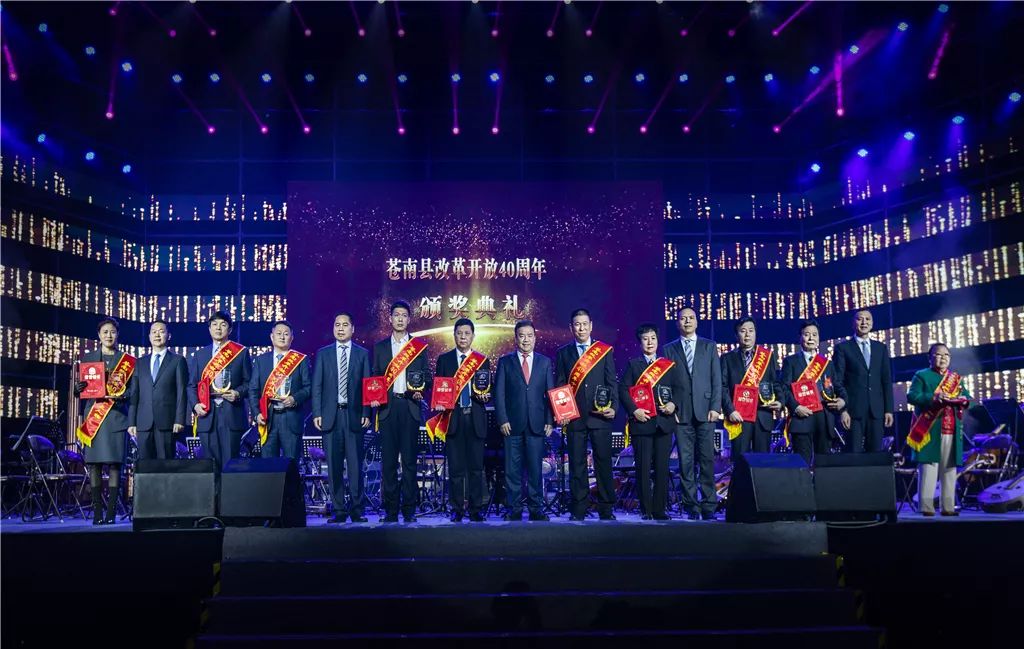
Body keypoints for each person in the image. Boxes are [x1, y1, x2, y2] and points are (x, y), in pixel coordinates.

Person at [555, 308, 618, 521]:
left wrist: (614, 407)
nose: (581, 328)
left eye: (584, 324)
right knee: (577, 464)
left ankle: (606, 509)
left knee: (603, 463)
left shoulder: (604, 351)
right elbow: (560, 385)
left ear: (591, 326)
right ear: (571, 327)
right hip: (575, 417)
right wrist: (561, 412)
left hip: (600, 416)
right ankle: (579, 509)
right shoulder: (564, 353)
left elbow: (612, 382)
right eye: (577, 324)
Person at [371, 300, 430, 523]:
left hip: (409, 406)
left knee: (409, 462)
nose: (400, 319)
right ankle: (391, 511)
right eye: (396, 315)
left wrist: (421, 389)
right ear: (390, 318)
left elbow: (427, 376)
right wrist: (373, 396)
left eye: (404, 315)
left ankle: (409, 510)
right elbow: (375, 377)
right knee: (388, 463)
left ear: (409, 319)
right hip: (387, 408)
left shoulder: (419, 347)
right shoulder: (380, 347)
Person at [75, 317, 138, 524]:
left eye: (112, 331)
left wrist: (124, 395)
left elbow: (134, 390)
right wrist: (77, 390)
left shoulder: (127, 361)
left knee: (115, 465)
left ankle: (111, 512)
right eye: (105, 332)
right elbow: (84, 389)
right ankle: (97, 513)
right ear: (99, 335)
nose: (109, 335)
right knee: (94, 464)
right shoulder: (89, 358)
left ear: (117, 334)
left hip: (117, 417)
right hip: (95, 418)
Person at [662, 307, 721, 521]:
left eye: (691, 318)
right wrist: (673, 407)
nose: (687, 321)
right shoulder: (668, 349)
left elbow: (717, 379)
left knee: (706, 460)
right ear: (677, 323)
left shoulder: (709, 346)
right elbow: (666, 382)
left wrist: (715, 407)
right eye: (683, 318)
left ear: (697, 321)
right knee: (685, 463)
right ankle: (691, 506)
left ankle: (709, 505)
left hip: (706, 411)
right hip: (681, 413)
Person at [619, 324, 683, 520]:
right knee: (643, 469)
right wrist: (634, 410)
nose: (650, 342)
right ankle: (645, 509)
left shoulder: (668, 365)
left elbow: (680, 389)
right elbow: (623, 390)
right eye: (645, 339)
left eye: (653, 338)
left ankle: (659, 509)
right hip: (642, 423)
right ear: (640, 343)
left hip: (664, 423)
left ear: (657, 340)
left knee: (662, 468)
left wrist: (673, 404)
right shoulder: (634, 365)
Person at [429, 318, 491, 522]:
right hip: (453, 419)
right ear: (454, 335)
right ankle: (457, 508)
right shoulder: (444, 360)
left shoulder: (481, 360)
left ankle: (475, 509)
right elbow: (438, 388)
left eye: (467, 333)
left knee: (475, 469)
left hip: (475, 418)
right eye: (459, 333)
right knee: (456, 469)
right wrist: (438, 402)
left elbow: (486, 388)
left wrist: (486, 396)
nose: (463, 337)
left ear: (473, 336)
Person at [312, 312, 372, 523]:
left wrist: (366, 412)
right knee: (334, 466)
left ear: (352, 329)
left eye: (345, 325)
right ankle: (338, 510)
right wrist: (317, 413)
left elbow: (367, 386)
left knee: (355, 465)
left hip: (354, 415)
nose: (340, 328)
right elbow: (317, 385)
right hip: (331, 416)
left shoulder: (362, 354)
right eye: (337, 324)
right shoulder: (324, 354)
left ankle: (357, 509)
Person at [494, 320, 554, 522]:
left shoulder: (545, 362)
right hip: (511, 425)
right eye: (522, 336)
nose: (526, 340)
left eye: (529, 336)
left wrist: (549, 420)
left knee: (536, 469)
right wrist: (502, 419)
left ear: (535, 338)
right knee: (512, 470)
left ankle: (536, 509)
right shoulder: (505, 362)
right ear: (516, 338)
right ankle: (514, 509)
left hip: (537, 424)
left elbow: (550, 393)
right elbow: (499, 394)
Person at [907, 343, 973, 517]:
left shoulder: (955, 378)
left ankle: (948, 506)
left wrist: (964, 400)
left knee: (949, 469)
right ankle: (926, 506)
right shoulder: (921, 375)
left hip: (951, 429)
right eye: (938, 354)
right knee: (929, 468)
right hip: (930, 428)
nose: (943, 358)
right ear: (929, 358)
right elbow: (912, 396)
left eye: (946, 355)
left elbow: (969, 399)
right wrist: (933, 397)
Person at [187, 311, 251, 469]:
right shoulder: (200, 355)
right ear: (209, 329)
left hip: (232, 414)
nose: (218, 328)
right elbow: (191, 385)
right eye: (214, 325)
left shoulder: (241, 353)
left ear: (230, 329)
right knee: (210, 466)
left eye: (223, 325)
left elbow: (250, 383)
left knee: (231, 465)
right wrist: (195, 405)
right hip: (207, 415)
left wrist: (238, 393)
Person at [781, 319, 847, 466]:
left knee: (824, 465)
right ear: (800, 337)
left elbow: (837, 387)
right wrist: (796, 407)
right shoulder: (790, 362)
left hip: (824, 418)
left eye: (814, 335)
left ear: (819, 338)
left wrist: (843, 400)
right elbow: (783, 388)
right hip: (801, 417)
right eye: (806, 334)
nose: (811, 338)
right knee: (802, 464)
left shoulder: (827, 364)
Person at [721, 317, 783, 458]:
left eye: (751, 330)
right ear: (736, 335)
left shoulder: (767, 356)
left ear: (755, 333)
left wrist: (780, 401)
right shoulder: (727, 358)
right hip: (738, 416)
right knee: (739, 461)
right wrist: (730, 410)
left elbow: (775, 383)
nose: (747, 334)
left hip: (763, 415)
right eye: (743, 331)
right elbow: (723, 388)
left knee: (763, 462)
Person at [833, 309, 894, 453]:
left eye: (867, 319)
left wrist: (889, 410)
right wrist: (843, 411)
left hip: (876, 411)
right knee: (853, 455)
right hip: (853, 412)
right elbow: (837, 381)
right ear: (853, 323)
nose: (864, 322)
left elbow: (886, 381)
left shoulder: (881, 348)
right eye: (860, 319)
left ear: (872, 323)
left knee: (875, 455)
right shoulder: (843, 348)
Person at [248, 321, 311, 461]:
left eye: (286, 334)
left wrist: (294, 399)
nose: (282, 337)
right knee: (269, 466)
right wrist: (257, 413)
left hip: (292, 418)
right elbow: (253, 390)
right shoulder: (261, 361)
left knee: (291, 465)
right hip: (268, 419)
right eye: (279, 333)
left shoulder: (300, 360)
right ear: (272, 337)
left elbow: (309, 388)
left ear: (292, 338)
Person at [129, 319, 188, 461]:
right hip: (143, 422)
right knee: (145, 465)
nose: (157, 335)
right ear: (149, 336)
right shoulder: (140, 362)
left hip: (167, 421)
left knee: (165, 464)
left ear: (169, 335)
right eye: (154, 332)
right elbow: (134, 393)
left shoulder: (178, 360)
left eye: (161, 331)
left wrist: (180, 419)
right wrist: (132, 422)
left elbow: (182, 392)